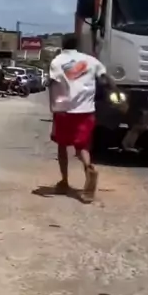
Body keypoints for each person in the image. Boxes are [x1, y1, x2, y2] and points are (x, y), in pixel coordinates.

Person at [49, 34, 121, 203]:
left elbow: (52, 84)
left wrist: (52, 106)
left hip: (64, 110)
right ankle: (89, 168)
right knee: (83, 147)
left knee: (62, 145)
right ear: (78, 45)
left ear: (63, 44)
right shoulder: (90, 60)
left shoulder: (57, 61)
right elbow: (105, 78)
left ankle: (64, 181)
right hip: (86, 111)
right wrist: (117, 93)